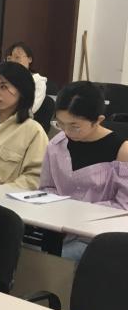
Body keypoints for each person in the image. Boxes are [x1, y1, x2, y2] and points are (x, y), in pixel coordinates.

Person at [39, 81, 128, 260]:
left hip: (95, 236)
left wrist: (77, 211)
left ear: (98, 120)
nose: (66, 131)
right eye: (60, 123)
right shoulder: (56, 144)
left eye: (75, 126)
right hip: (55, 227)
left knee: (51, 260)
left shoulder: (122, 150)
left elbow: (124, 206)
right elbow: (46, 188)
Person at [5, 41, 48, 115]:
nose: (13, 61)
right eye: (9, 58)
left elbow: (30, 109)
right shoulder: (2, 79)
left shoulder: (38, 81)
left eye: (17, 57)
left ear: (29, 59)